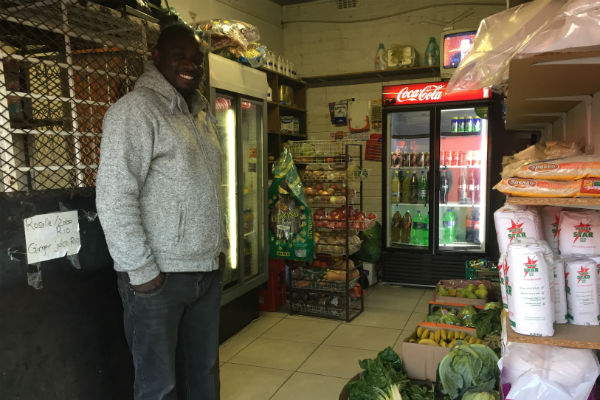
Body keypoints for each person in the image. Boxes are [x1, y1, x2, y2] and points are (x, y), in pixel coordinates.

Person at [96, 23, 224, 400]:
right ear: (156, 57)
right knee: (159, 385)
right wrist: (140, 269)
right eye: (179, 56)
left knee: (202, 372)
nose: (190, 65)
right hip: (159, 279)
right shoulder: (134, 111)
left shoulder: (199, 113)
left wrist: (222, 245)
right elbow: (115, 195)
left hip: (206, 270)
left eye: (196, 59)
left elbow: (208, 190)